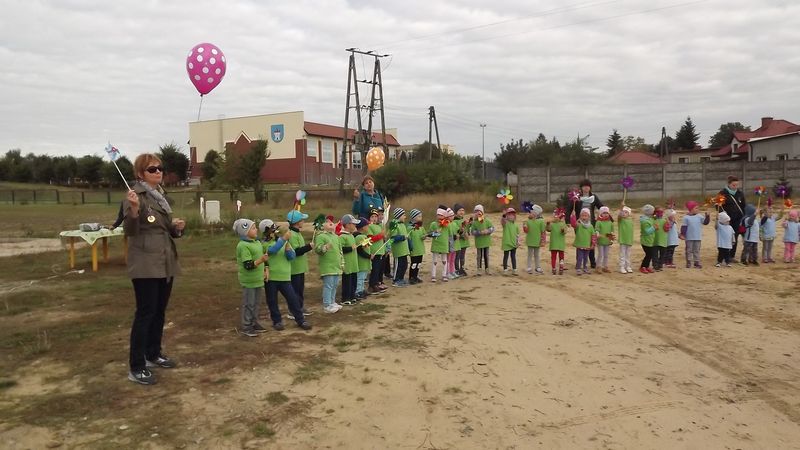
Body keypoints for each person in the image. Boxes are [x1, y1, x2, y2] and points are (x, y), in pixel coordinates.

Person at [123, 153, 185, 385]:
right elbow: (129, 230)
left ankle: (153, 354)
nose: (158, 172)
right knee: (145, 313)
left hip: (165, 261)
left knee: (159, 311)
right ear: (140, 174)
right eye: (152, 169)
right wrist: (134, 210)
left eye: (160, 168)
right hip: (146, 263)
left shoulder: (160, 197)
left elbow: (166, 229)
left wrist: (177, 227)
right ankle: (136, 366)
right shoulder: (134, 196)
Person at [261, 220, 311, 330]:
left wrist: (288, 250)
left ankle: (300, 320)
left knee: (293, 299)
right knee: (272, 301)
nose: (275, 231)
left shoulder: (281, 241)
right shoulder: (264, 243)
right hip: (271, 278)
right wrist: (284, 239)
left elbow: (292, 257)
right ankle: (277, 321)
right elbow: (272, 251)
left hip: (285, 277)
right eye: (272, 229)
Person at [233, 219, 269, 338]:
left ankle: (254, 322)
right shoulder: (243, 246)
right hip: (249, 280)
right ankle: (246, 326)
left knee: (257, 303)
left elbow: (261, 258)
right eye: (253, 228)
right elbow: (248, 265)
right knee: (249, 303)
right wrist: (261, 260)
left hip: (258, 279)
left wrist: (265, 270)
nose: (256, 230)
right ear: (245, 232)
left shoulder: (257, 243)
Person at [566, 179, 604, 268]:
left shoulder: (594, 197)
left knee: (591, 242)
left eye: (588, 186)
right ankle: (579, 263)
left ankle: (592, 262)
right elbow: (569, 209)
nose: (586, 188)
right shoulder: (576, 197)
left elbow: (601, 207)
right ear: (581, 188)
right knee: (580, 242)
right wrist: (568, 221)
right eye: (584, 186)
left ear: (590, 188)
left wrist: (605, 215)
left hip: (591, 224)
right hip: (579, 224)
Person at [286, 210, 313, 319]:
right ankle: (293, 311)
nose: (304, 222)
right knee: (295, 291)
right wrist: (308, 247)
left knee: (300, 289)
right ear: (297, 222)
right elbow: (296, 252)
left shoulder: (297, 233)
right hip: (295, 268)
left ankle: (300, 307)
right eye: (302, 220)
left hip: (300, 268)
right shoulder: (291, 234)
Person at [315, 216, 344, 313]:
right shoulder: (321, 236)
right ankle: (327, 305)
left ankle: (332, 302)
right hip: (327, 266)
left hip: (336, 265)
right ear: (322, 226)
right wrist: (325, 247)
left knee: (335, 284)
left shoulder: (336, 236)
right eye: (327, 222)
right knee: (329, 285)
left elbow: (340, 251)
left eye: (331, 221)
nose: (330, 222)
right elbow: (318, 250)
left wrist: (342, 262)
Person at [717, 175, 747, 261]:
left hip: (738, 219)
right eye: (733, 185)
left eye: (737, 185)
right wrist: (723, 216)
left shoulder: (740, 194)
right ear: (729, 184)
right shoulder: (723, 193)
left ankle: (731, 256)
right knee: (725, 237)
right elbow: (718, 206)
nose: (735, 187)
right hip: (727, 220)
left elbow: (743, 206)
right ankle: (723, 254)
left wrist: (744, 217)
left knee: (735, 237)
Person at [679, 201, 710, 269]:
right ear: (691, 209)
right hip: (689, 237)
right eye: (696, 208)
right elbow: (684, 227)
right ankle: (689, 262)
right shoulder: (686, 217)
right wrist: (682, 234)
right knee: (689, 250)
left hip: (697, 237)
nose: (698, 209)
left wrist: (707, 216)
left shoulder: (699, 216)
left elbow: (705, 222)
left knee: (696, 250)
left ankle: (696, 262)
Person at [339, 214, 360, 304]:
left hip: (353, 264)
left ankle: (352, 296)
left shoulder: (351, 236)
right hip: (347, 264)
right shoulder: (342, 237)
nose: (355, 226)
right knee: (347, 281)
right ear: (347, 225)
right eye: (353, 224)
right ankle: (345, 298)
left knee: (353, 280)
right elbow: (340, 249)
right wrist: (350, 248)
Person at [470, 205, 494, 275]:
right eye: (476, 211)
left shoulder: (487, 221)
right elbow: (472, 232)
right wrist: (479, 232)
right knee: (479, 256)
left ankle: (487, 268)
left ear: (482, 212)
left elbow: (492, 228)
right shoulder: (474, 222)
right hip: (479, 242)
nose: (478, 213)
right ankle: (479, 269)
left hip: (486, 242)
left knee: (486, 255)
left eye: (479, 211)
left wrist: (488, 231)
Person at [389, 208, 410, 287]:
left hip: (404, 250)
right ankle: (396, 280)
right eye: (404, 215)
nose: (405, 217)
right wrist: (402, 237)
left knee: (404, 265)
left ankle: (401, 278)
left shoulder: (403, 225)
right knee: (398, 266)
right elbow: (392, 238)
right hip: (398, 250)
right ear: (399, 216)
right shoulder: (394, 224)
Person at [429, 207, 451, 282]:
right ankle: (433, 275)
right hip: (436, 245)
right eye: (438, 215)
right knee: (435, 261)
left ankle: (444, 275)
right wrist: (435, 232)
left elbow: (451, 235)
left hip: (444, 245)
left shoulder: (447, 225)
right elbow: (430, 234)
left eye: (441, 215)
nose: (439, 216)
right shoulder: (433, 224)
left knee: (444, 260)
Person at [523, 204, 546, 274]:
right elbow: (526, 231)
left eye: (531, 212)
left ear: (535, 214)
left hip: (537, 241)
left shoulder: (541, 221)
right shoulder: (527, 221)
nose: (530, 213)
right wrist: (524, 227)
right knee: (529, 254)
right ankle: (529, 267)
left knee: (537, 254)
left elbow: (543, 231)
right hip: (530, 240)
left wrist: (542, 240)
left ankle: (538, 267)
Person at [571, 208, 595, 275]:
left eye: (586, 216)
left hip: (587, 245)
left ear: (589, 217)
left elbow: (593, 235)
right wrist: (573, 216)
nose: (584, 217)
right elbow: (573, 224)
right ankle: (578, 268)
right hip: (580, 244)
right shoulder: (579, 225)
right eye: (582, 215)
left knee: (586, 258)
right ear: (580, 216)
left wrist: (593, 244)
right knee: (579, 257)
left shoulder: (590, 226)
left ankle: (585, 268)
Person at [407, 209, 427, 284]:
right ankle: (411, 277)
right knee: (414, 263)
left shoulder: (421, 227)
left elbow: (423, 235)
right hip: (414, 249)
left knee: (419, 263)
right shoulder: (410, 228)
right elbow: (408, 238)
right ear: (413, 217)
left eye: (421, 216)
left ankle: (415, 276)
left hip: (420, 249)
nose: (420, 217)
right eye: (419, 216)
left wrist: (425, 236)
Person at [546, 208, 568, 275]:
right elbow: (548, 229)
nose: (556, 218)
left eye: (557, 216)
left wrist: (562, 230)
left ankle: (561, 268)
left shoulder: (563, 224)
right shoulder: (552, 224)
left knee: (561, 257)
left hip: (560, 244)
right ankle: (553, 268)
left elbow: (565, 231)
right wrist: (547, 224)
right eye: (555, 216)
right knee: (553, 257)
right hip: (554, 244)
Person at [594, 206, 614, 273]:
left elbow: (612, 231)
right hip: (600, 241)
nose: (605, 214)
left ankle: (605, 266)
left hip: (607, 241)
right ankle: (598, 267)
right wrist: (597, 234)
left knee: (606, 255)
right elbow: (596, 229)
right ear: (601, 214)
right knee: (601, 254)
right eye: (604, 213)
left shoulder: (610, 222)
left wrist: (611, 238)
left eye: (607, 213)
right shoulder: (599, 222)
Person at [501, 207, 520, 275]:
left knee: (513, 256)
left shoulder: (516, 225)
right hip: (506, 243)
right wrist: (503, 215)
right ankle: (505, 269)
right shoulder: (506, 223)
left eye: (512, 215)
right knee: (506, 256)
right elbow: (503, 221)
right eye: (509, 215)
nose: (511, 216)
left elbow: (518, 235)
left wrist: (518, 242)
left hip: (513, 243)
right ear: (507, 216)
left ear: (515, 216)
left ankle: (514, 269)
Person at [639, 204, 656, 274]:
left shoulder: (649, 219)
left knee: (650, 254)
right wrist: (654, 228)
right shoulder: (645, 221)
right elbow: (646, 231)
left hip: (649, 240)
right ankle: (643, 266)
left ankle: (646, 266)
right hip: (646, 241)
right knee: (649, 254)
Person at [617, 206, 634, 274]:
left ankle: (628, 266)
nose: (624, 213)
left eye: (626, 212)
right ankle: (622, 267)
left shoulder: (630, 221)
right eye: (623, 212)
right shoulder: (621, 220)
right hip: (623, 240)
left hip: (629, 240)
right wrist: (621, 208)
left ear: (629, 214)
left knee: (628, 254)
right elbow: (619, 216)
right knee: (622, 254)